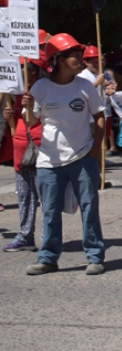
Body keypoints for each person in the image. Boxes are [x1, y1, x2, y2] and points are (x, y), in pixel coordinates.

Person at [22, 33, 106, 275]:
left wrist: (95, 151)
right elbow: (31, 122)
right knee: (49, 211)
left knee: (89, 208)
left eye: (81, 56)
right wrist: (27, 109)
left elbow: (99, 117)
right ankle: (48, 258)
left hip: (82, 158)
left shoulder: (85, 86)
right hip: (48, 161)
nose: (81, 60)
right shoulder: (40, 88)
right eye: (75, 56)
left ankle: (95, 256)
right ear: (59, 59)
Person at [3, 57, 46, 252]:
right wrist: (8, 117)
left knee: (46, 199)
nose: (23, 74)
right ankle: (25, 236)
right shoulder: (14, 95)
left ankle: (48, 237)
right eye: (20, 70)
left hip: (42, 149)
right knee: (25, 197)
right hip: (21, 150)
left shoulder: (45, 90)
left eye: (27, 69)